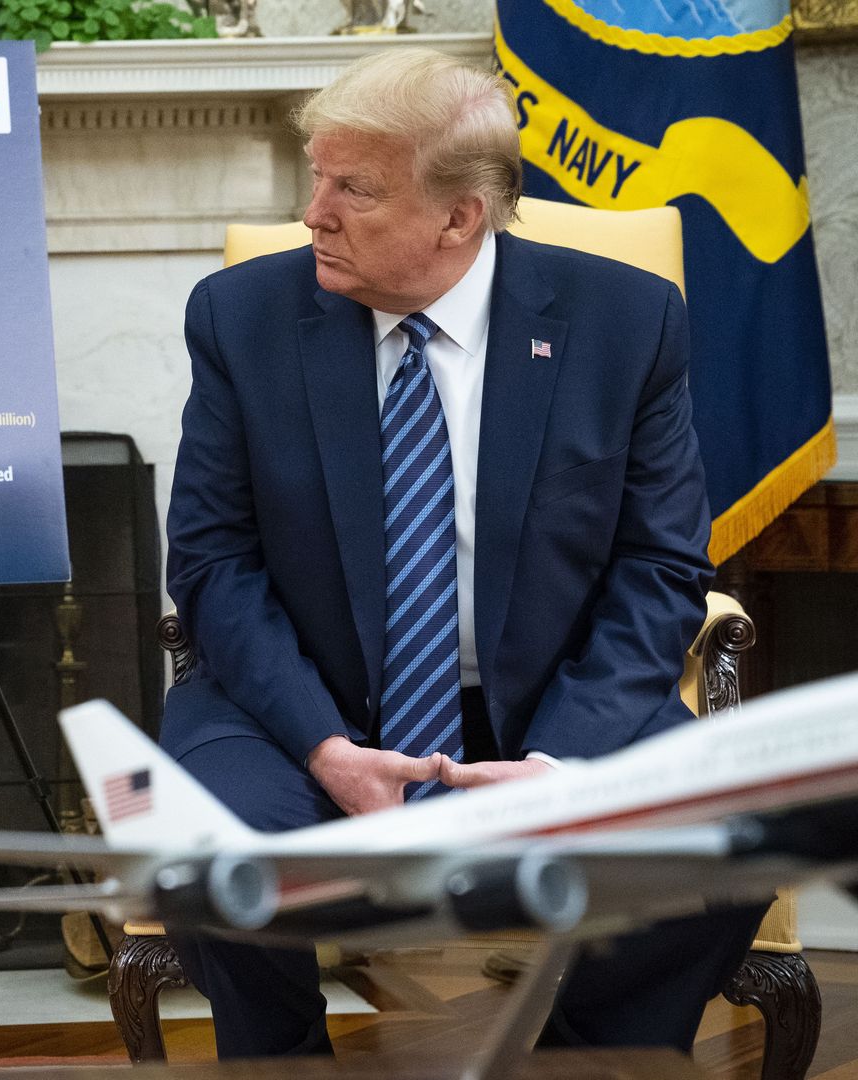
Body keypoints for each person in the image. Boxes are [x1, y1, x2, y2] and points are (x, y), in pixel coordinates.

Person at [160, 48, 766, 1058]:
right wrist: (325, 747)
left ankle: (583, 1064)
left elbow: (660, 568)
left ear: (460, 216)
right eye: (316, 177)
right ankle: (282, 1067)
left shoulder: (626, 323)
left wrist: (560, 765)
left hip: (549, 706)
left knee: (726, 854)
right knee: (205, 848)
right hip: (301, 706)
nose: (313, 213)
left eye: (353, 189)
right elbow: (214, 560)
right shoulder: (242, 316)